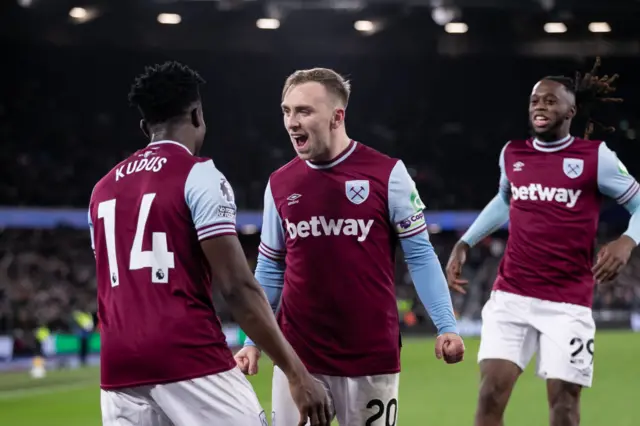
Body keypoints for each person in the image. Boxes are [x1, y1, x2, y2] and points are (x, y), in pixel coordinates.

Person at [88, 61, 331, 426]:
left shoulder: (101, 189)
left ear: (144, 127)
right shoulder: (198, 175)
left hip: (118, 368)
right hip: (187, 356)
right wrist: (297, 373)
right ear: (197, 114)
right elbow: (237, 288)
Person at [233, 67, 465, 426]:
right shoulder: (279, 183)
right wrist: (252, 340)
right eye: (286, 111)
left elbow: (419, 254)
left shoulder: (388, 174)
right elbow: (270, 268)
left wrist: (446, 324)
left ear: (337, 116)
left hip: (371, 357)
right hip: (298, 358)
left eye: (304, 111)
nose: (292, 122)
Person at [446, 58, 640, 426]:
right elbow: (504, 199)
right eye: (535, 100)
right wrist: (466, 241)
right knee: (489, 396)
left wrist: (627, 241)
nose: (540, 106)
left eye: (550, 101)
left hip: (568, 304)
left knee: (564, 410)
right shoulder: (513, 153)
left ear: (571, 110)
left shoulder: (594, 157)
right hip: (512, 297)